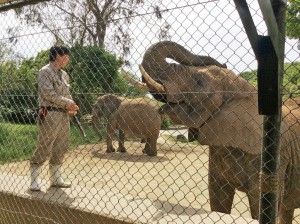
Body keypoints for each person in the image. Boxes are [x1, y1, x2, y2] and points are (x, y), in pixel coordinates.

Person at [30, 45, 79, 191]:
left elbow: (67, 94)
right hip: (50, 113)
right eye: (66, 55)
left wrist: (71, 106)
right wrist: (68, 103)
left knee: (61, 146)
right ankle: (34, 179)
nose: (68, 59)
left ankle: (56, 178)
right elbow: (48, 94)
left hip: (63, 115)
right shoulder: (44, 72)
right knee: (45, 145)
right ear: (57, 55)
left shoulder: (64, 74)